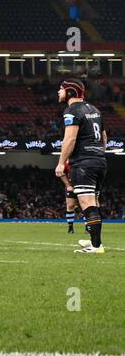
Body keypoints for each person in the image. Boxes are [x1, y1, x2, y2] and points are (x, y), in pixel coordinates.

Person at [55, 78, 107, 254]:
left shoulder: (72, 110)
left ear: (70, 92)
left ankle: (97, 246)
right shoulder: (94, 109)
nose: (59, 92)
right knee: (94, 202)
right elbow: (104, 137)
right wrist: (99, 154)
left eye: (61, 89)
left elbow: (70, 139)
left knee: (86, 203)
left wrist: (62, 162)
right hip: (99, 160)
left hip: (83, 162)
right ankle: (95, 240)